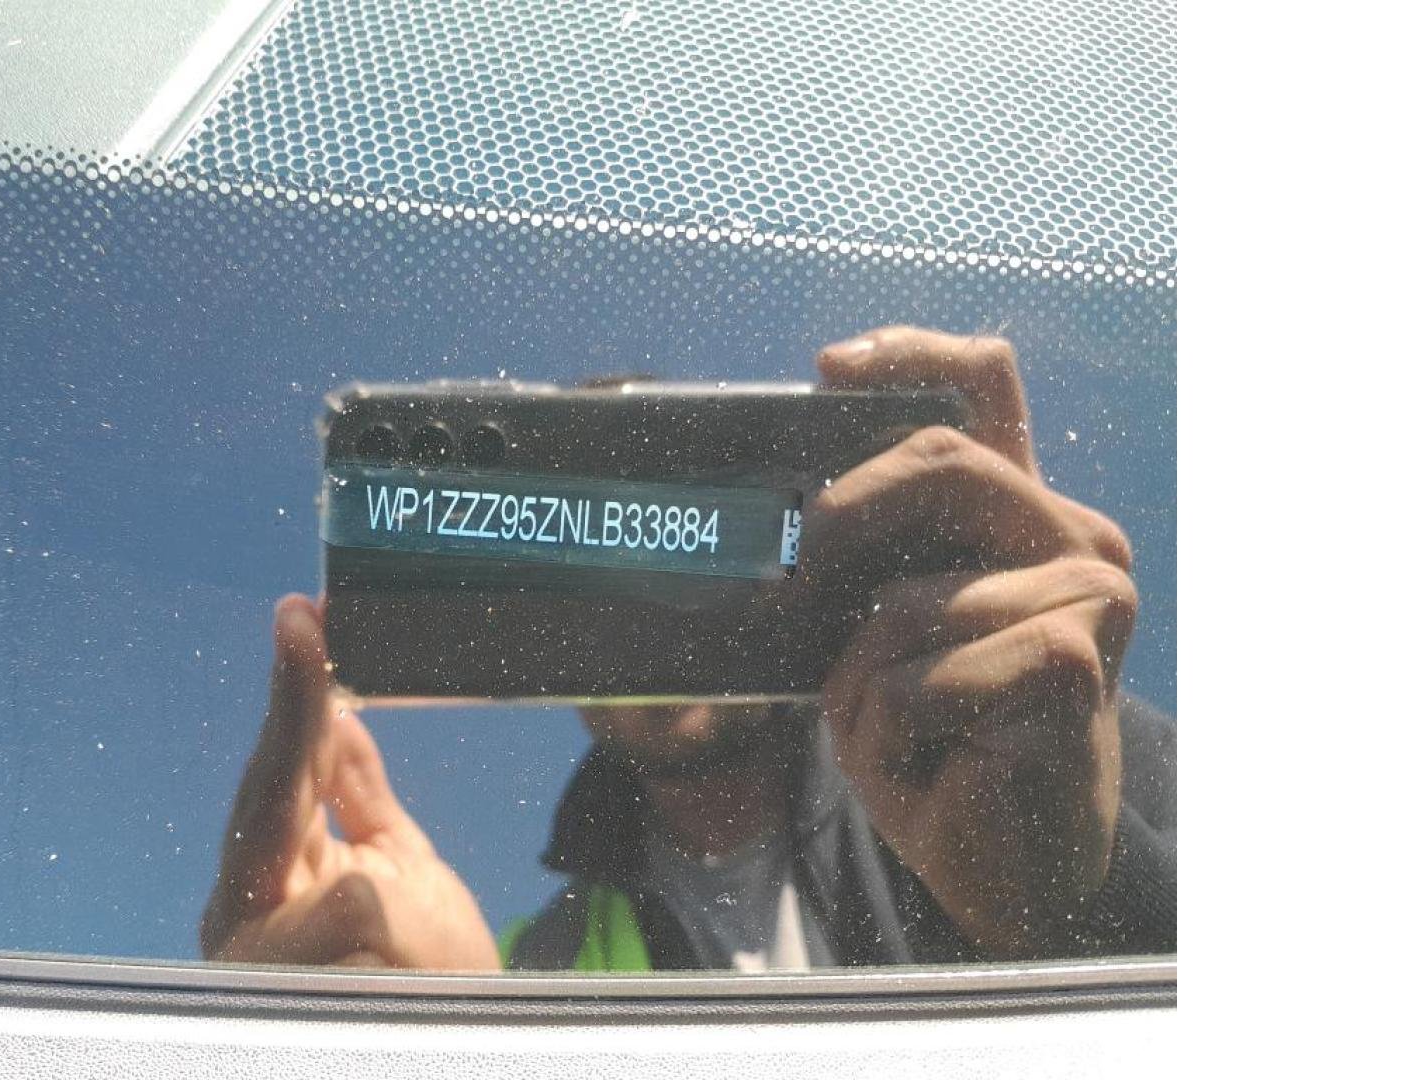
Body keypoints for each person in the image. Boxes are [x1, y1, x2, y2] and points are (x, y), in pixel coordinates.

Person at [198, 326, 1176, 971]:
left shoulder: (1020, 736)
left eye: (691, 539)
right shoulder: (529, 967)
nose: (651, 595)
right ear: (552, 659)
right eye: (593, 571)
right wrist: (446, 1043)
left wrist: (1082, 897)